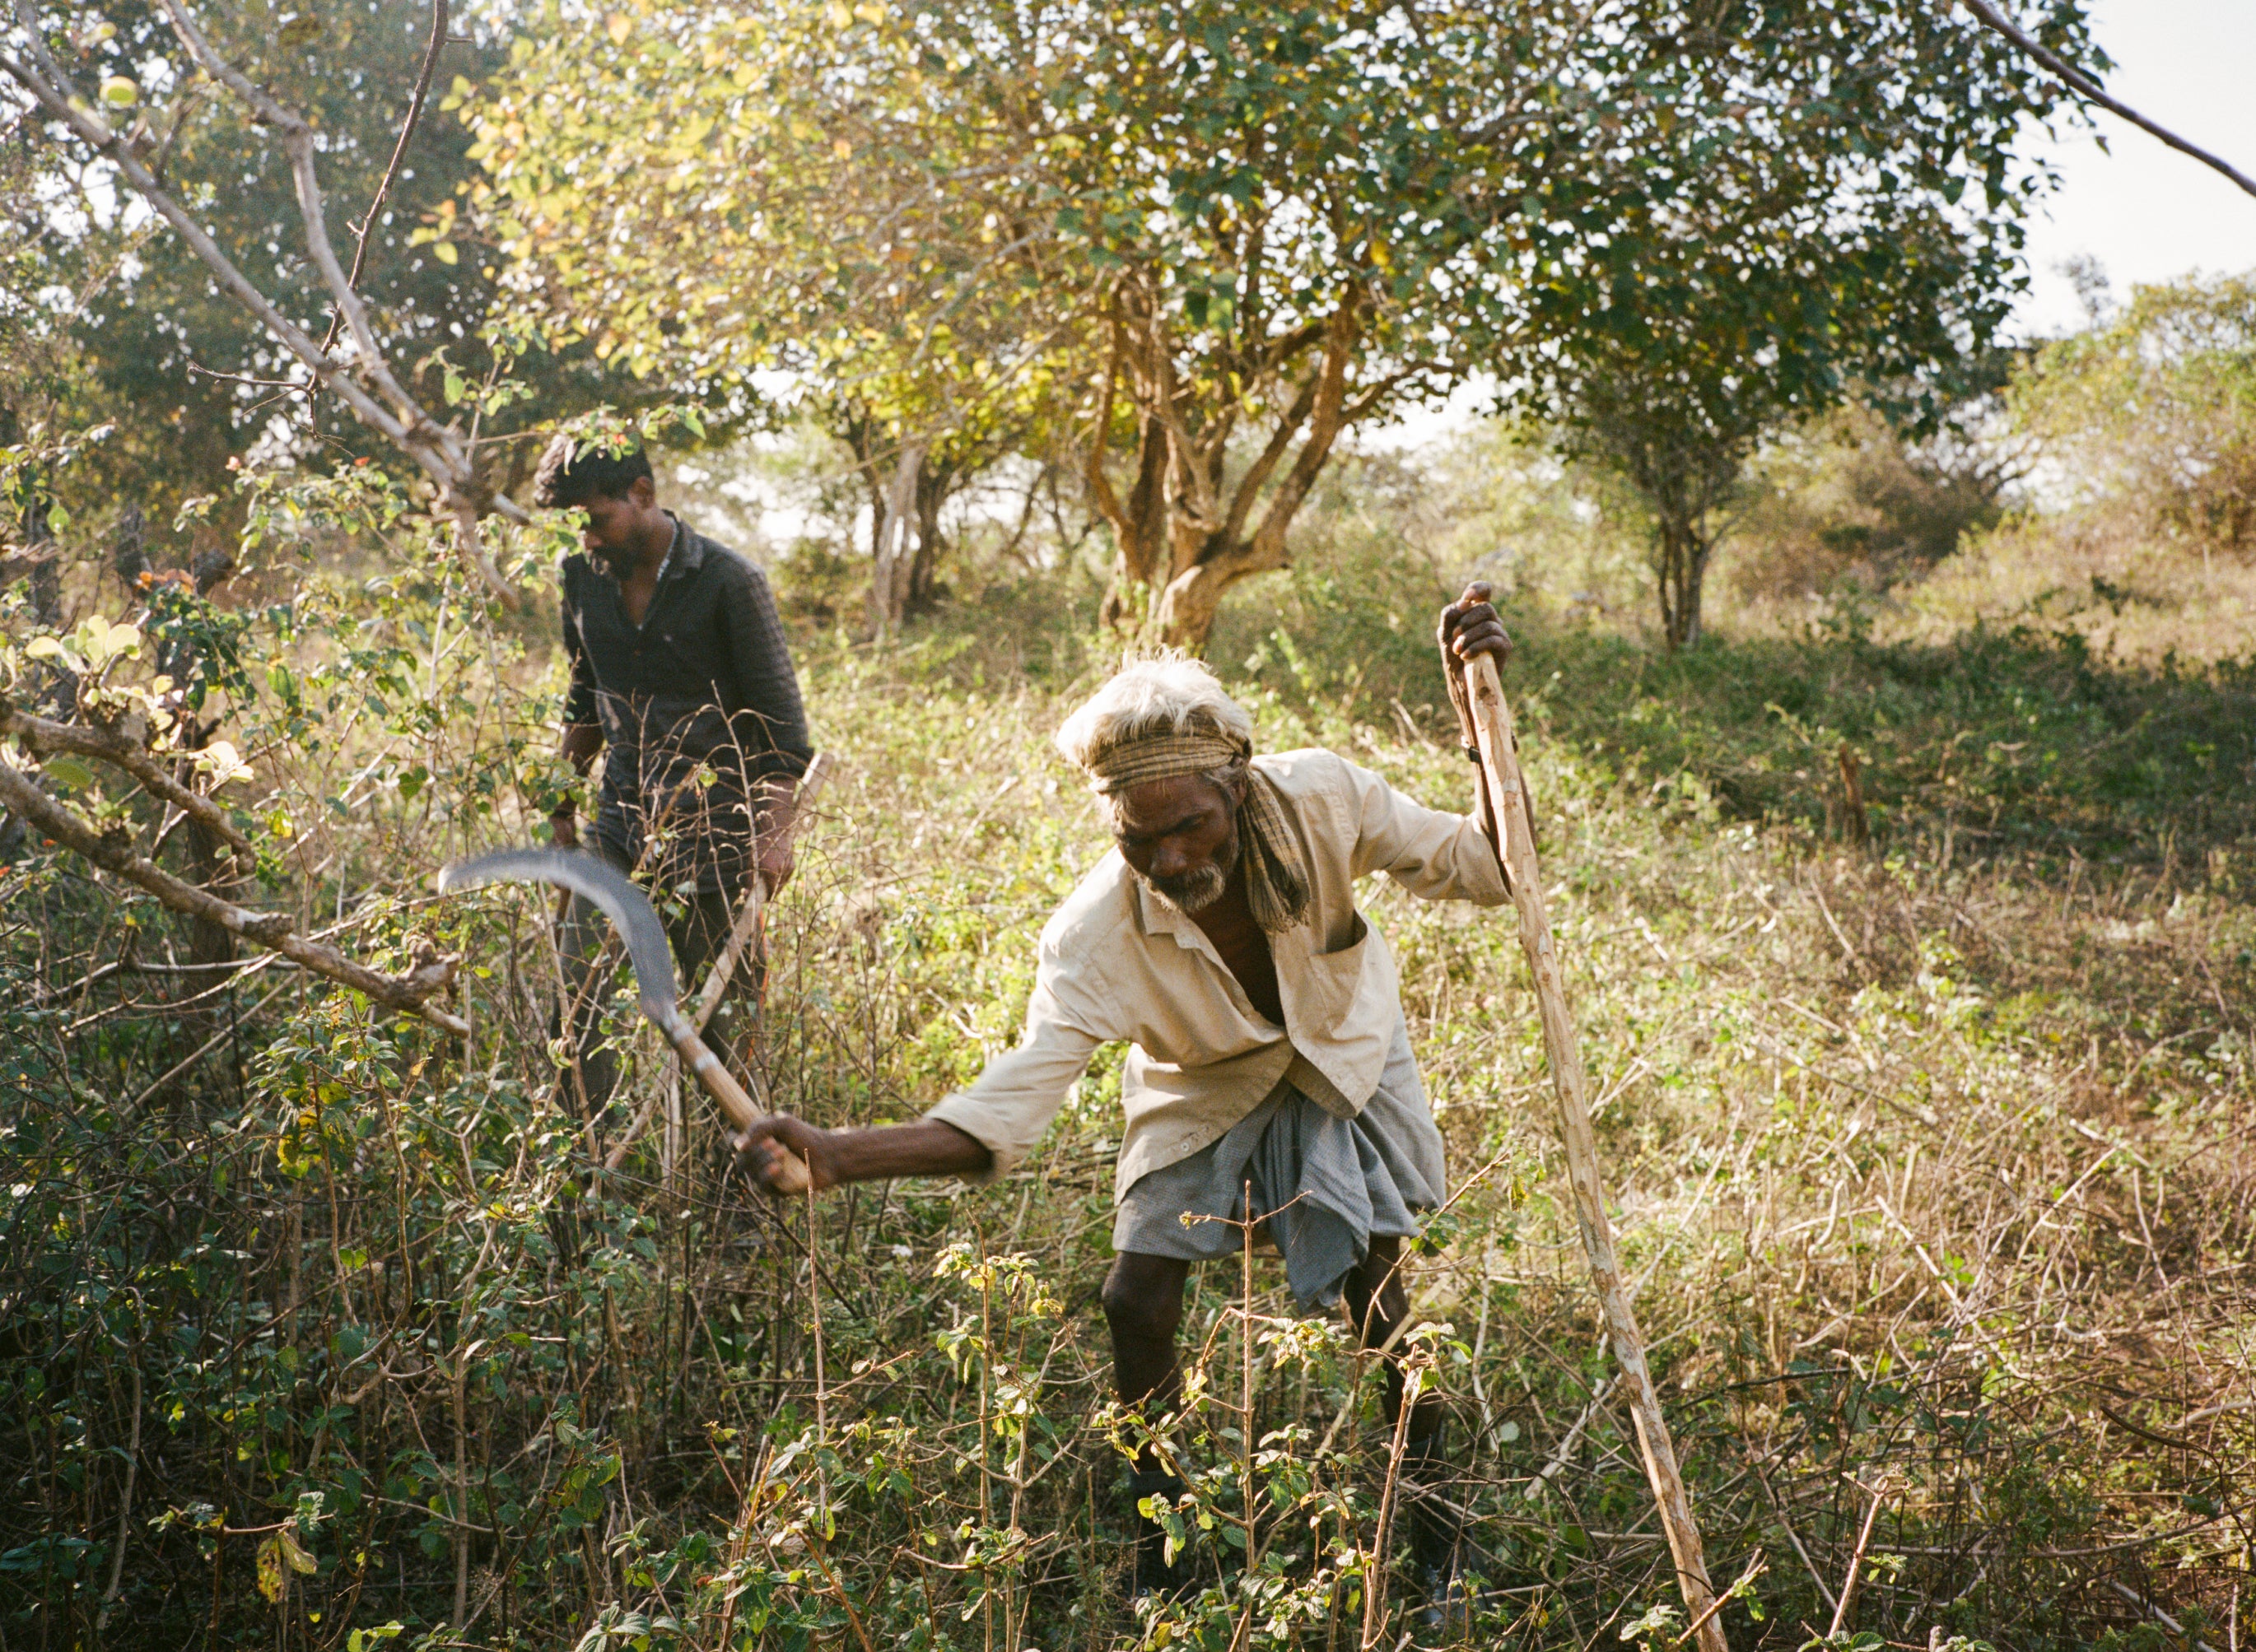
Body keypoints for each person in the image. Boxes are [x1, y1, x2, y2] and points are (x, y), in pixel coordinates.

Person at [737, 586, 1516, 1607]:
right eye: (1138, 841)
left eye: (1189, 828)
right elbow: (1012, 1105)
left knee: (1375, 1294)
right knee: (1133, 1300)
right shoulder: (1093, 935)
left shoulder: (1325, 796)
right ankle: (1166, 1550)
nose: (1171, 860)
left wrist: (1477, 723)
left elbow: (1493, 867)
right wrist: (841, 1154)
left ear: (1235, 784)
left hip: (1341, 1052)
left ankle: (1436, 1529)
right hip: (1201, 1085)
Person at [533, 434, 814, 1115]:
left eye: (597, 519)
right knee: (577, 1007)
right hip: (618, 824)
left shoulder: (728, 581)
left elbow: (783, 735)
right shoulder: (578, 577)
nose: (589, 540)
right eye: (575, 526)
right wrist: (562, 797)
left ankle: (743, 1201)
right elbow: (584, 698)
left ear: (643, 495)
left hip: (716, 839)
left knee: (726, 1029)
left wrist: (772, 840)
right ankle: (581, 1183)